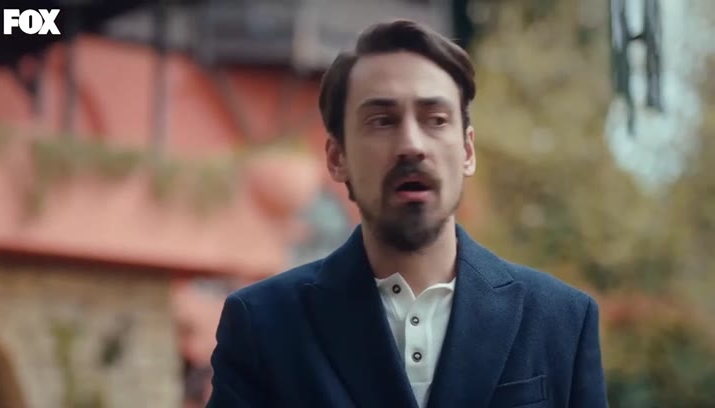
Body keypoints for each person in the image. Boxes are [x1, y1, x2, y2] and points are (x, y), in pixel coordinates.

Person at [207, 19, 607, 408]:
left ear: (467, 151)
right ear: (337, 157)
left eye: (436, 120)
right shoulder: (263, 326)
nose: (412, 145)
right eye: (382, 121)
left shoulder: (561, 321)